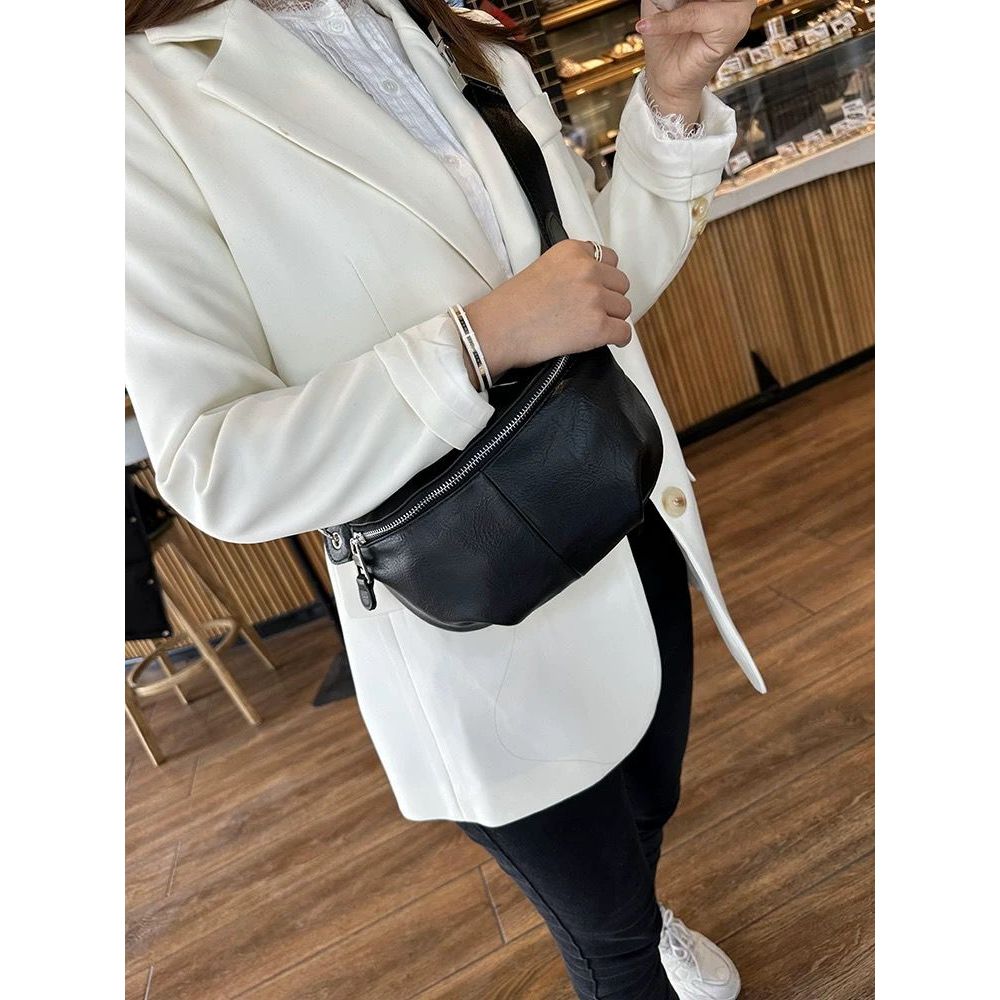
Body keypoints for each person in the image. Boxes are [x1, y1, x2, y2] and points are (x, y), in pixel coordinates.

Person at [125, 1, 764, 997]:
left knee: (647, 803)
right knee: (606, 939)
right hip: (469, 601)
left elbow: (595, 289)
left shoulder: (448, 28)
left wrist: (672, 94)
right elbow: (216, 462)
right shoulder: (137, 100)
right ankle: (632, 935)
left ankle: (643, 909)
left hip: (622, 515)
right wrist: (475, 343)